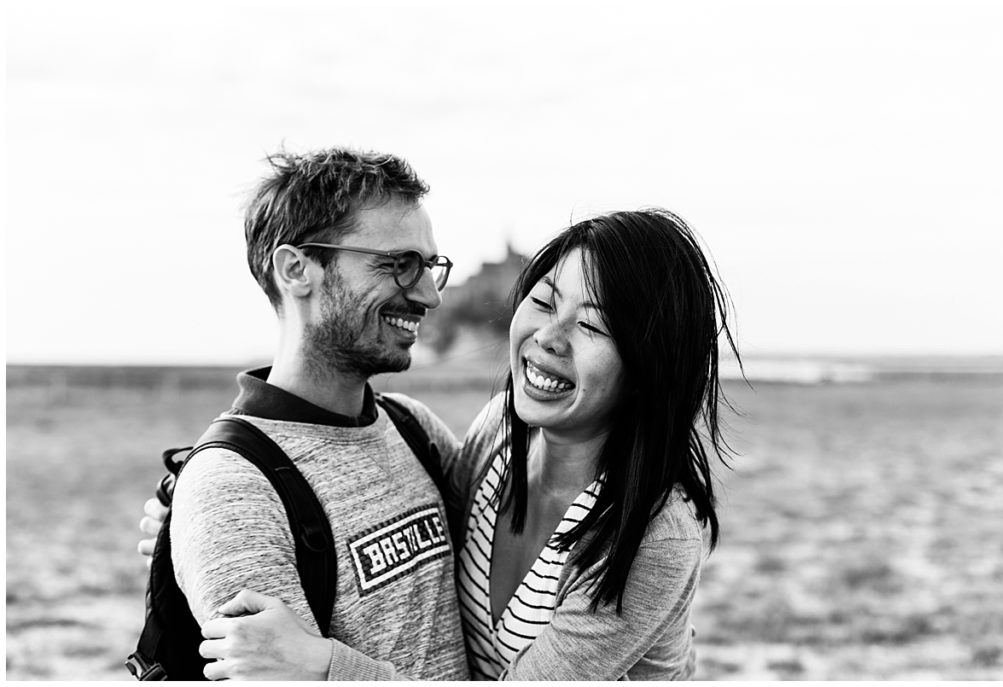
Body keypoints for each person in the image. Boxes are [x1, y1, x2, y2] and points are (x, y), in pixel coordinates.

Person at [141, 207, 740, 679]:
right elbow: (418, 525)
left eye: (592, 325)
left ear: (649, 365)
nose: (549, 339)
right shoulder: (500, 435)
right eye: (543, 302)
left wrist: (325, 668)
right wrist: (193, 511)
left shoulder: (653, 530)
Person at [143, 146, 470, 680]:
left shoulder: (414, 428)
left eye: (430, 266)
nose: (430, 295)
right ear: (297, 269)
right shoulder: (232, 489)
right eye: (400, 264)